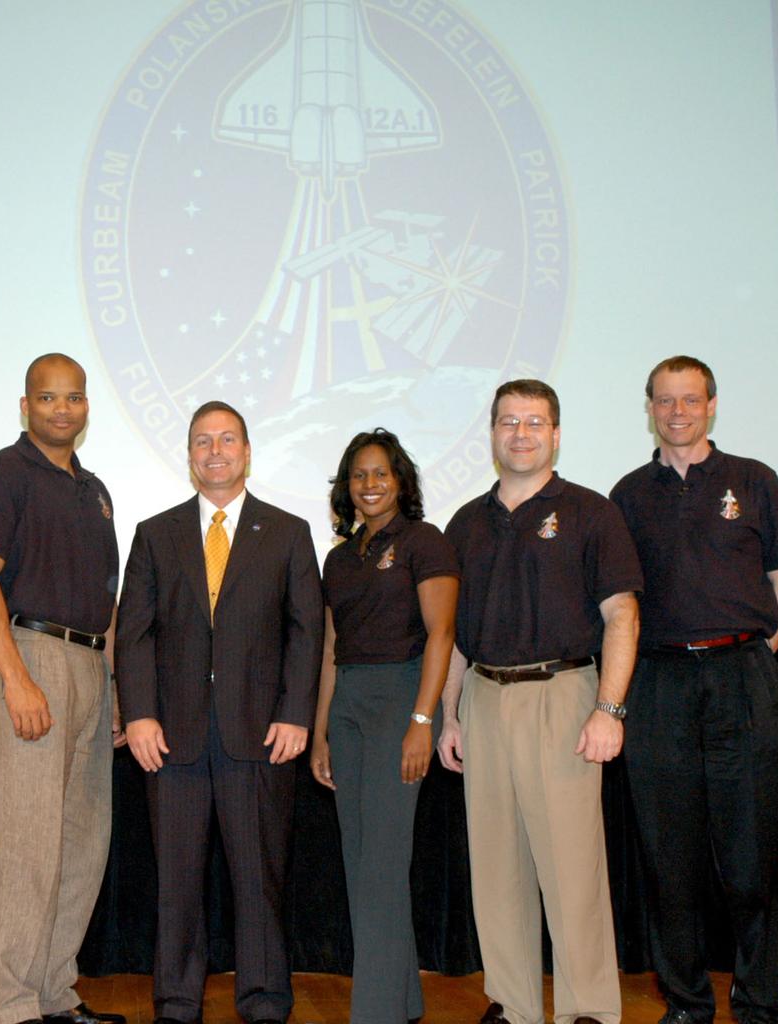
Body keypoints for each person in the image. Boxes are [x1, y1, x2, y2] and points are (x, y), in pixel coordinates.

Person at [437, 379, 641, 1024]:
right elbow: (455, 634)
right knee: (496, 868)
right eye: (508, 422)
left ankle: (590, 1010)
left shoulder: (591, 512)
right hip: (484, 698)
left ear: (556, 434)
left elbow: (623, 615)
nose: (520, 434)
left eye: (534, 423)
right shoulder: (466, 522)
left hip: (564, 695)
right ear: (492, 432)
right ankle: (514, 1004)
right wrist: (450, 716)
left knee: (572, 866)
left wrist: (608, 710)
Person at [610, 356, 778, 1024]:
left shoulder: (755, 480)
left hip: (740, 676)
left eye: (689, 400)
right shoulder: (628, 494)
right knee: (671, 863)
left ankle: (758, 1002)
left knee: (750, 863)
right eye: (664, 401)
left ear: (712, 405)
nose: (677, 412)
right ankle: (687, 1003)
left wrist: (753, 655)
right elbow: (618, 600)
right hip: (659, 681)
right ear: (650, 409)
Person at [115, 400, 324, 1024]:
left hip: (260, 736)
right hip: (171, 736)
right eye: (202, 441)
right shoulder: (156, 533)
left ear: (247, 453)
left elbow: (307, 631)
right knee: (177, 881)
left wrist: (295, 714)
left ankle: (264, 1000)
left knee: (259, 879)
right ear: (189, 456)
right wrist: (139, 714)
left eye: (227, 439)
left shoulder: (288, 532)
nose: (215, 451)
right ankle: (177, 1002)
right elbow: (134, 633)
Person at [0, 354, 125, 1024]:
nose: (63, 409)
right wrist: (15, 678)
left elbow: (105, 601)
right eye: (48, 398)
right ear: (25, 407)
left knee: (81, 845)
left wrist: (110, 689)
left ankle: (54, 993)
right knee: (27, 845)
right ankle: (12, 1006)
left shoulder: (96, 490)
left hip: (89, 669)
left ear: (86, 408)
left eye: (74, 398)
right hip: (27, 657)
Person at [309, 428, 458, 1024]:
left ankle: (374, 1013)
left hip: (403, 699)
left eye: (381, 473)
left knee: (384, 862)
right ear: (346, 488)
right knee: (360, 856)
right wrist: (320, 731)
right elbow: (329, 649)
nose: (370, 484)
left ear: (401, 481)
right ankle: (404, 999)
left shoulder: (426, 541)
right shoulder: (338, 558)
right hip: (346, 707)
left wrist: (423, 719)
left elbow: (442, 636)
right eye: (359, 475)